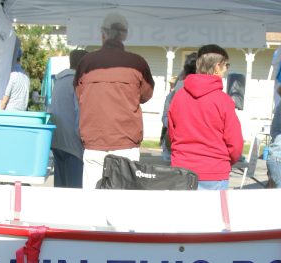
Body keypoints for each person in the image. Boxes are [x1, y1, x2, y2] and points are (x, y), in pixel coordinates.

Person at [75, 12, 154, 189]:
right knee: (123, 203)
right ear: (125, 34)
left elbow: (79, 94)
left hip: (94, 142)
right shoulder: (137, 63)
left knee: (93, 202)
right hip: (125, 142)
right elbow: (146, 95)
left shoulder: (86, 62)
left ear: (103, 33)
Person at [167, 44, 243, 190]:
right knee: (213, 213)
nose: (227, 69)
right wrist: (224, 161)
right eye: (226, 65)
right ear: (217, 66)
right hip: (214, 172)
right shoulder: (223, 100)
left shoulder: (179, 96)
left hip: (182, 169)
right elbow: (235, 142)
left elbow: (172, 134)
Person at [49, 49, 87, 188]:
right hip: (73, 142)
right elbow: (80, 112)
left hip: (57, 139)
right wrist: (83, 138)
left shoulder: (59, 81)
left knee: (60, 186)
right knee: (74, 189)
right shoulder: (77, 83)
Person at [160, 52, 197, 161]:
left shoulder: (178, 89)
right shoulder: (179, 89)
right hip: (186, 149)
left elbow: (166, 119)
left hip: (177, 148)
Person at [0, 41, 30, 111]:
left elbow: (5, 99)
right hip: (22, 113)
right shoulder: (26, 76)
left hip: (10, 113)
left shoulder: (12, 75)